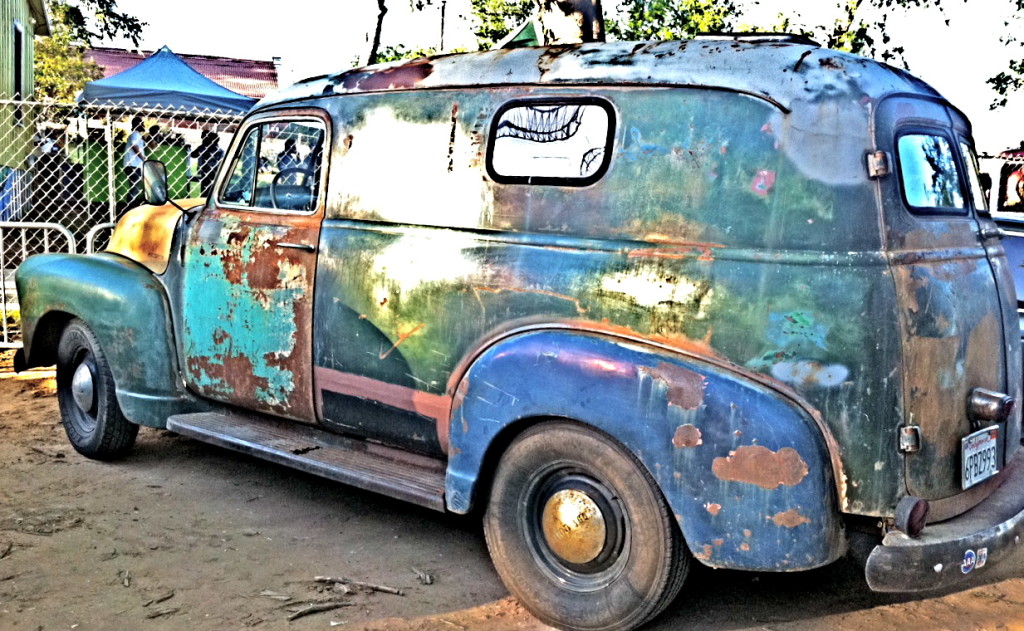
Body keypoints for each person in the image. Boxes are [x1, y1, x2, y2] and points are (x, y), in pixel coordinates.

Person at [191, 130, 224, 197]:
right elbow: (193, 154)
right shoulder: (204, 147)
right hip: (207, 172)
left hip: (212, 172)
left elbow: (194, 154)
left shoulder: (215, 149)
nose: (203, 140)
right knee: (206, 191)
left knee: (209, 191)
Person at [123, 116, 146, 206]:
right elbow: (135, 146)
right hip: (133, 164)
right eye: (142, 123)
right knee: (135, 187)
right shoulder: (135, 135)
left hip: (134, 164)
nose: (143, 125)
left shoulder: (137, 135)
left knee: (135, 186)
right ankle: (130, 206)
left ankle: (131, 205)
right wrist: (142, 157)